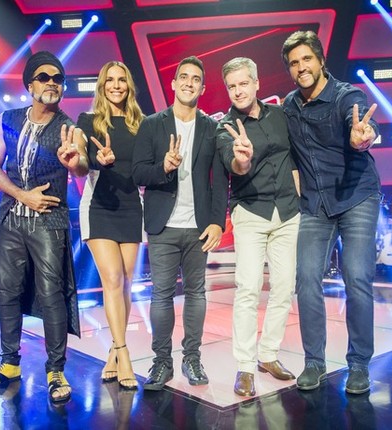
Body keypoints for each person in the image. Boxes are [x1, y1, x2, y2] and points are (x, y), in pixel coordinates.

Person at [0, 51, 89, 404]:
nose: (52, 83)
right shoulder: (8, 119)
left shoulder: (70, 127)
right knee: (8, 291)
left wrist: (75, 162)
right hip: (12, 217)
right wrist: (23, 196)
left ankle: (55, 370)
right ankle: (9, 364)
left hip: (50, 221)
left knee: (52, 294)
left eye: (58, 78)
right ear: (29, 84)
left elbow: (82, 166)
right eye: (44, 77)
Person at [281, 30, 381, 395]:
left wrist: (363, 136)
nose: (301, 67)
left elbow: (363, 125)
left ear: (321, 60)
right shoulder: (289, 106)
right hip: (315, 205)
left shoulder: (345, 96)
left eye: (307, 59)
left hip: (357, 197)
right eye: (294, 63)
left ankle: (359, 364)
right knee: (306, 277)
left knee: (357, 277)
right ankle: (314, 361)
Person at [132, 56, 228, 391]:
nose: (189, 82)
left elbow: (220, 181)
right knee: (161, 295)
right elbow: (138, 173)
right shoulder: (151, 125)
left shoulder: (211, 128)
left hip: (199, 227)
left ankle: (192, 358)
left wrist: (217, 222)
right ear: (173, 83)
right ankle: (162, 361)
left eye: (195, 78)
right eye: (183, 76)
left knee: (196, 294)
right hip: (163, 225)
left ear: (202, 87)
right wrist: (164, 167)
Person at [216, 57, 300, 397]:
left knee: (284, 288)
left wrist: (299, 198)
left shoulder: (280, 115)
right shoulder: (225, 127)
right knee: (248, 289)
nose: (238, 91)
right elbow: (233, 164)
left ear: (256, 83)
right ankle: (245, 366)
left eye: (243, 83)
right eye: (232, 86)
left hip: (288, 212)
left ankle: (268, 354)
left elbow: (293, 158)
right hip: (251, 213)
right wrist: (243, 159)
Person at [77, 61, 144, 390]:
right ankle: (124, 353)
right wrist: (96, 160)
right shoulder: (87, 121)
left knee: (126, 283)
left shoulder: (142, 124)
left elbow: (144, 168)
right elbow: (79, 161)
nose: (116, 85)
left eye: (122, 80)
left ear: (128, 85)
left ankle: (113, 354)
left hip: (131, 207)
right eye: (110, 80)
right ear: (101, 86)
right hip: (99, 207)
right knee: (113, 279)